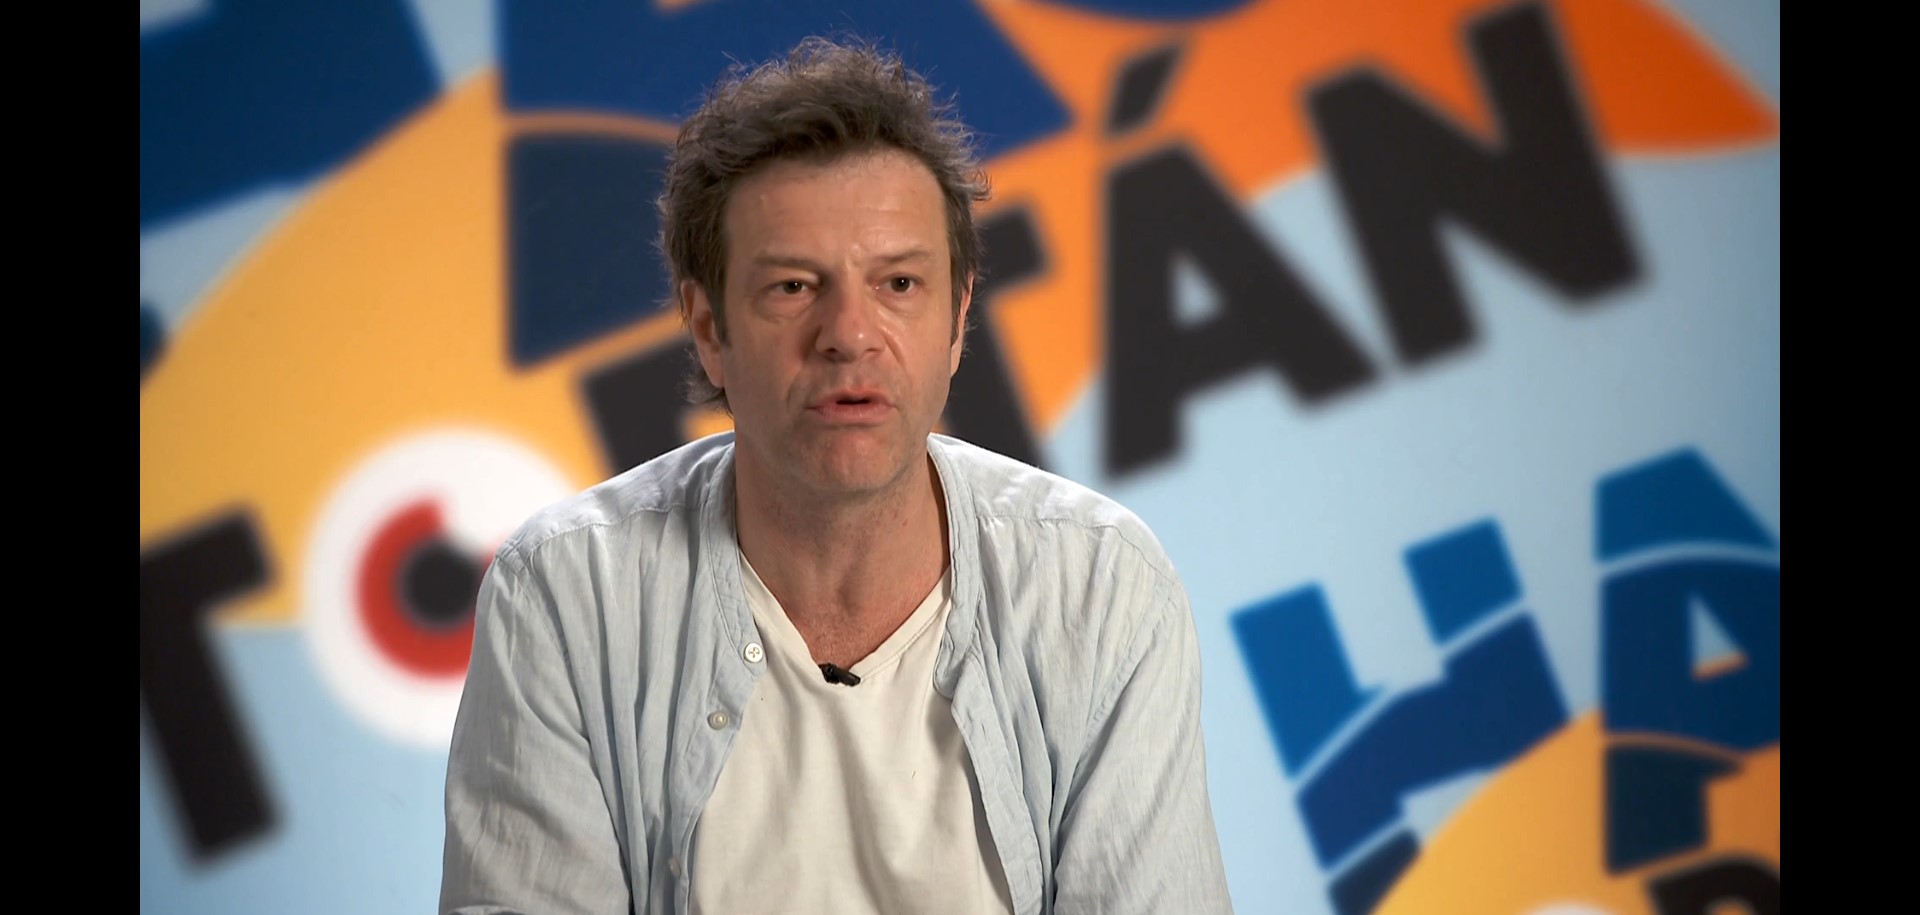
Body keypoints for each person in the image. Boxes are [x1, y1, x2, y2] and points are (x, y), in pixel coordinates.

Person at [441, 36, 1232, 915]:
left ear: (958, 318)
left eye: (899, 283)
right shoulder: (564, 596)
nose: (849, 334)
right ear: (708, 329)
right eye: (792, 287)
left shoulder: (1101, 587)